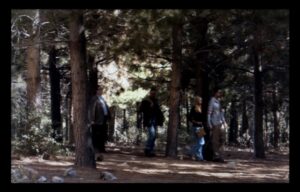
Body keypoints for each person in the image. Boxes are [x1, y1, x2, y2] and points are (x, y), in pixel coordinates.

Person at [139, 86, 164, 157]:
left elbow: (158, 111)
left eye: (155, 92)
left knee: (154, 136)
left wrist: (161, 119)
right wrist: (150, 106)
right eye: (152, 92)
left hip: (155, 120)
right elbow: (141, 110)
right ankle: (147, 149)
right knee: (152, 135)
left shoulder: (156, 100)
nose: (154, 94)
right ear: (150, 92)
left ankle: (151, 150)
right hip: (149, 121)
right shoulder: (145, 101)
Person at [89, 86, 111, 157]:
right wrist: (92, 120)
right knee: (96, 135)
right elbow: (92, 110)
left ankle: (102, 148)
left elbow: (106, 108)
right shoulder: (94, 99)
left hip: (103, 119)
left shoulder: (102, 98)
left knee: (102, 134)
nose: (101, 91)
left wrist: (108, 117)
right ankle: (95, 149)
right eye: (100, 90)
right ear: (96, 91)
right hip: (97, 120)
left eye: (102, 89)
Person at [207, 87, 227, 163]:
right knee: (215, 141)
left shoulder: (219, 101)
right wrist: (209, 123)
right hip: (214, 122)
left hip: (220, 122)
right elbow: (209, 113)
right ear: (215, 93)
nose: (220, 94)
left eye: (220, 92)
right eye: (218, 92)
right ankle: (216, 156)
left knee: (222, 139)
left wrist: (224, 122)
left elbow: (221, 113)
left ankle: (220, 155)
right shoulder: (212, 100)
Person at [189, 96, 205, 161]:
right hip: (196, 127)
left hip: (200, 127)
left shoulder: (201, 108)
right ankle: (194, 155)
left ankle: (198, 156)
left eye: (201, 100)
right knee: (200, 142)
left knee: (199, 142)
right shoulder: (193, 108)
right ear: (197, 100)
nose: (201, 101)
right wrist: (196, 122)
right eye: (200, 100)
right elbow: (190, 118)